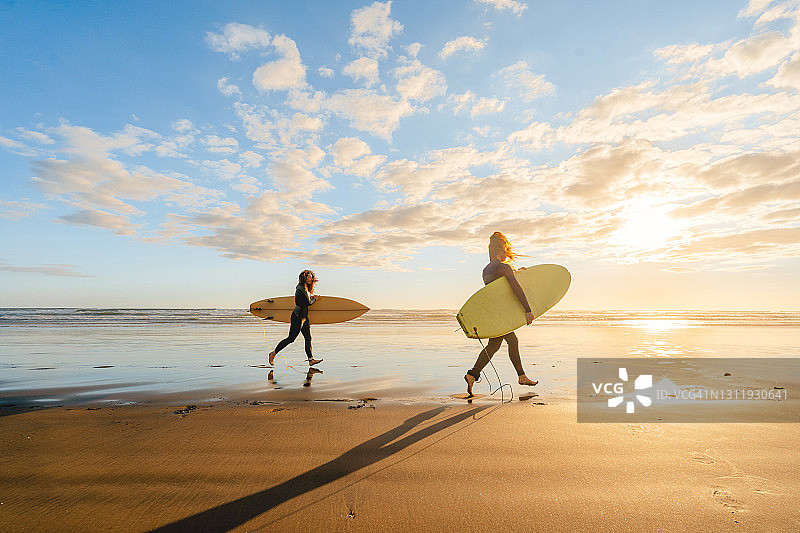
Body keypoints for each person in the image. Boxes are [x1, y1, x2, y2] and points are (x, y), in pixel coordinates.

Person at [465, 232, 538, 397]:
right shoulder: (503, 268)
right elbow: (515, 289)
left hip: (493, 313)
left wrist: (517, 274)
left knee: (495, 345)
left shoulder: (486, 270)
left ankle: (472, 375)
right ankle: (521, 376)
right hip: (501, 315)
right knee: (512, 341)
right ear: (501, 249)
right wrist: (527, 310)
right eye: (506, 249)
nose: (507, 253)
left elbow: (499, 289)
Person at [269, 270, 323, 367]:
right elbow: (308, 303)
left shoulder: (304, 288)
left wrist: (312, 297)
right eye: (309, 277)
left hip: (304, 317)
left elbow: (306, 301)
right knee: (291, 338)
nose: (311, 279)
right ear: (304, 278)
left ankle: (311, 359)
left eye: (311, 277)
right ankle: (273, 353)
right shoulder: (301, 289)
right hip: (298, 317)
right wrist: (315, 299)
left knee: (308, 338)